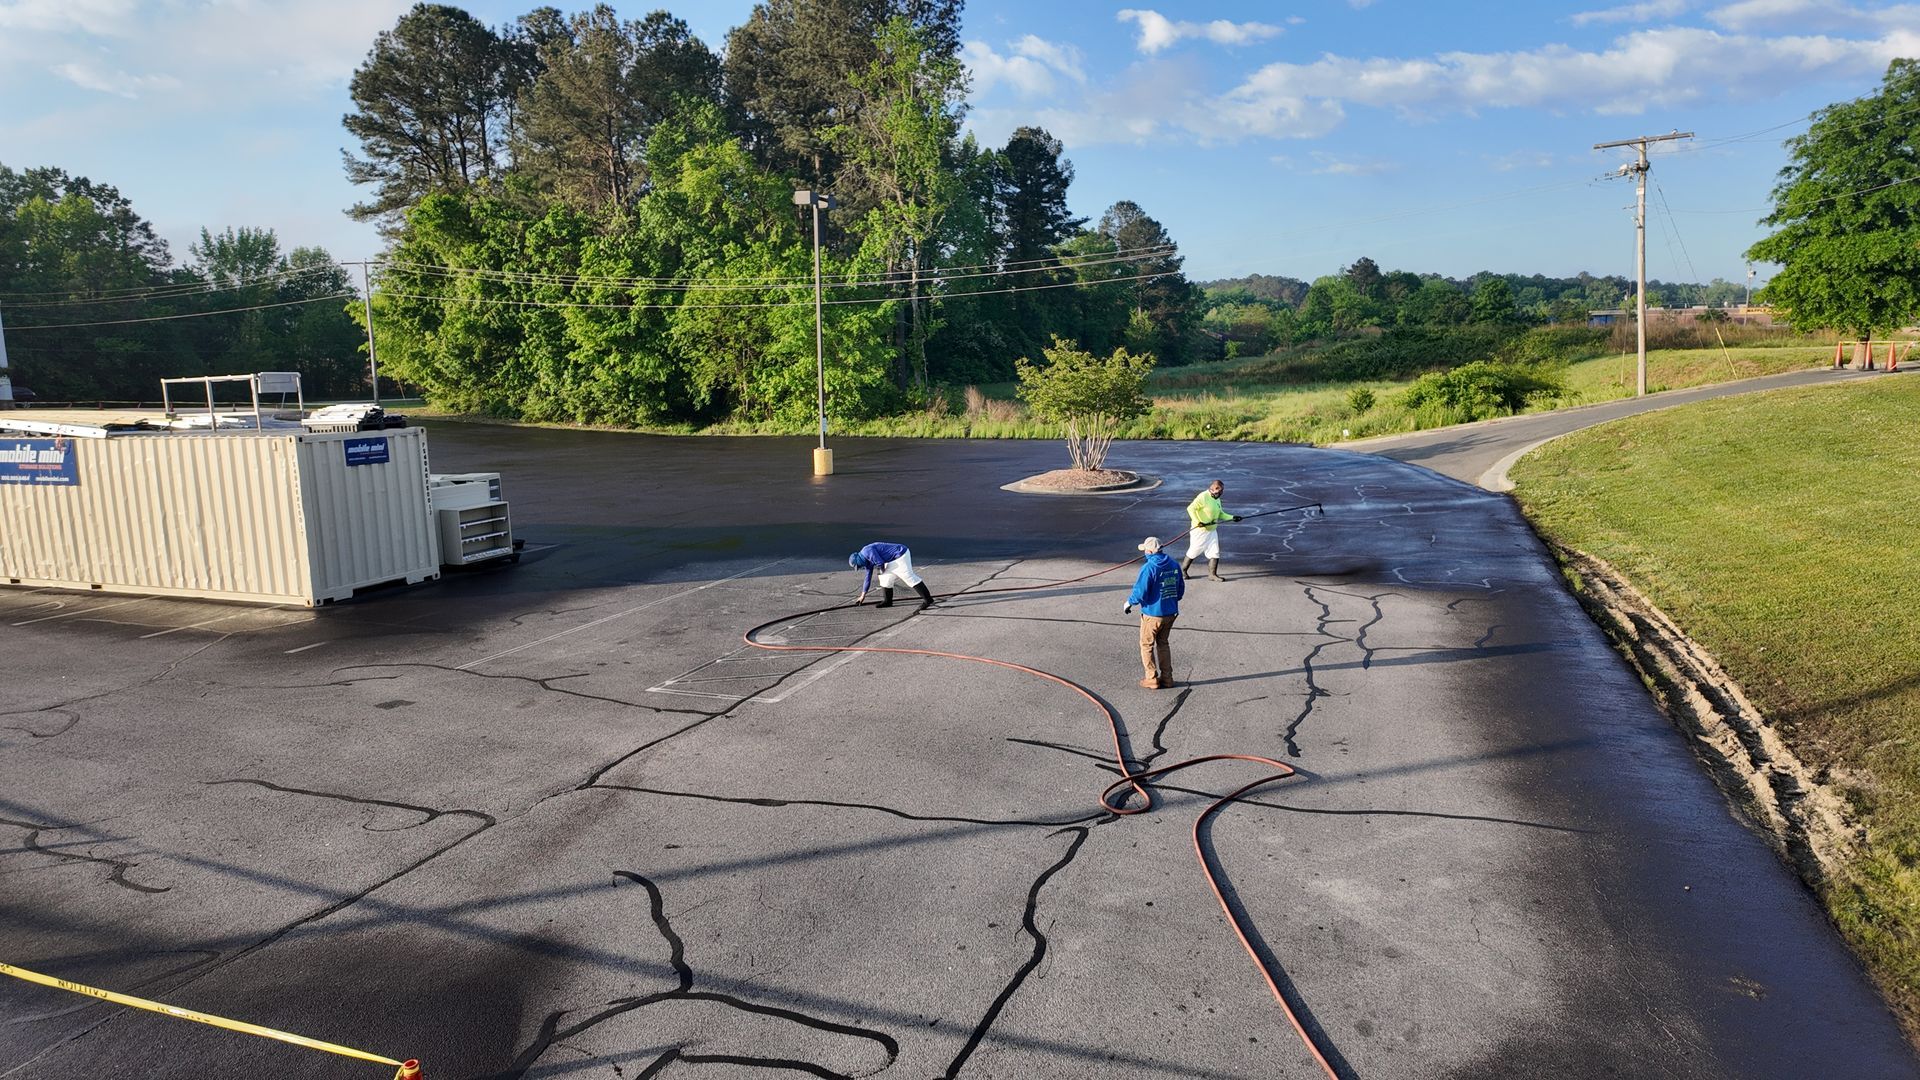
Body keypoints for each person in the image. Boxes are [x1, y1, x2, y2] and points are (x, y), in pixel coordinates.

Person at [1124, 536, 1185, 689]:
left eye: (1145, 549)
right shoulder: (1174, 564)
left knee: (1146, 644)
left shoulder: (1149, 567)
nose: (1144, 552)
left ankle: (1151, 678)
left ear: (1150, 551)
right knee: (1163, 644)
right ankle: (1167, 678)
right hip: (1170, 612)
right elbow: (1180, 589)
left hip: (1152, 614)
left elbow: (1140, 592)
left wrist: (1129, 602)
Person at [1183, 479, 1240, 581]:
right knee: (1194, 551)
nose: (1221, 494)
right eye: (1219, 491)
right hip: (1200, 531)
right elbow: (1190, 508)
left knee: (1215, 552)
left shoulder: (1216, 499)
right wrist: (1197, 522)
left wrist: (1233, 517)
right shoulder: (1203, 496)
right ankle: (1183, 571)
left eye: (1222, 492)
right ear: (1213, 489)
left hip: (1212, 530)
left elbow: (1220, 514)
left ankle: (1212, 575)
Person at [850, 542, 935, 611]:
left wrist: (881, 571)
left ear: (859, 560)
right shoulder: (867, 561)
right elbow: (867, 578)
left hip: (900, 555)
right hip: (891, 559)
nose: (860, 567)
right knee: (885, 579)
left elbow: (880, 563)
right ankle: (888, 601)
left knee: (908, 577)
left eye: (858, 566)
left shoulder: (867, 551)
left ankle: (928, 600)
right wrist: (862, 595)